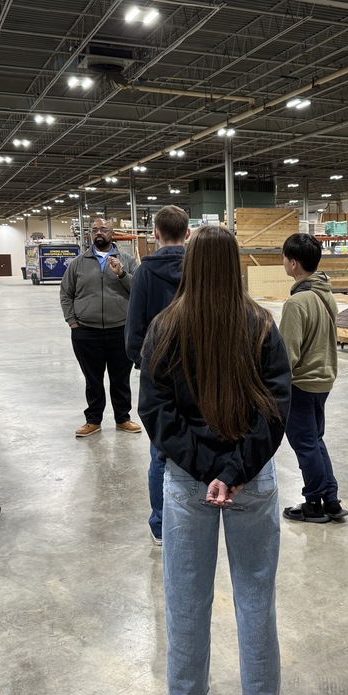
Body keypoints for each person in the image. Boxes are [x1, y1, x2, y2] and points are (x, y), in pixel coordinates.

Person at [139, 225, 291, 695]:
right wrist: (234, 468)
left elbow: (156, 411)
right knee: (254, 594)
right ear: (236, 265)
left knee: (185, 594)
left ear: (190, 265)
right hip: (252, 478)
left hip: (188, 481)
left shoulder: (164, 326)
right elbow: (276, 409)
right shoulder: (263, 324)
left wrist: (208, 471)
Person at [125, 205, 190, 547]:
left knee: (160, 453)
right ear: (188, 233)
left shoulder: (144, 275)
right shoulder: (200, 270)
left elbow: (133, 334)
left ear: (155, 234)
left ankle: (162, 525)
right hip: (199, 376)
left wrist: (149, 367)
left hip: (159, 379)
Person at [278, 232, 347, 524]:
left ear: (293, 264)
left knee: (305, 444)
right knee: (315, 440)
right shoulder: (326, 293)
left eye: (284, 257)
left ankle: (314, 504)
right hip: (324, 381)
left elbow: (287, 354)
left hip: (302, 384)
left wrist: (273, 387)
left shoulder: (297, 303)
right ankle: (330, 499)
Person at [60, 218, 142, 437]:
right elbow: (66, 293)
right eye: (95, 230)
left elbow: (139, 289)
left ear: (111, 233)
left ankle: (123, 418)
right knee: (92, 378)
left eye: (103, 229)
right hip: (86, 331)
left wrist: (121, 274)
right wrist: (72, 322)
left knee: (120, 379)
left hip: (120, 329)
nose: (99, 233)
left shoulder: (126, 260)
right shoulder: (78, 262)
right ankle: (93, 421)